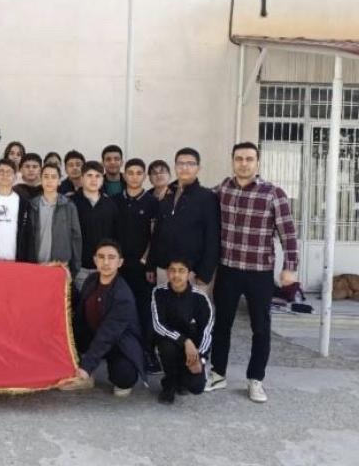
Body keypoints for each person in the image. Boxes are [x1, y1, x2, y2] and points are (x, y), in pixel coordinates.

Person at [207, 142, 299, 403]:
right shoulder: (222, 189)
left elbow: (288, 234)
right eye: (239, 158)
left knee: (260, 327)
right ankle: (218, 373)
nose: (244, 163)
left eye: (249, 159)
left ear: (257, 162)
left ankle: (255, 379)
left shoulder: (273, 194)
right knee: (222, 324)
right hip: (228, 269)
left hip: (259, 272)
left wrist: (290, 268)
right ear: (232, 161)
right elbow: (199, 201)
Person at [61, 240, 146, 397]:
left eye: (111, 257)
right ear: (95, 260)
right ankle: (86, 376)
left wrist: (86, 367)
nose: (106, 262)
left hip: (118, 343)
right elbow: (79, 305)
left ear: (120, 262)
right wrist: (68, 283)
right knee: (66, 335)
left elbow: (108, 334)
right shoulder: (91, 280)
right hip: (92, 334)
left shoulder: (123, 296)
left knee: (124, 376)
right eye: (101, 257)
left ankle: (88, 370)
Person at [113, 158, 160, 372]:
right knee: (120, 309)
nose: (134, 177)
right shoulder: (115, 201)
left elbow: (155, 236)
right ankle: (119, 351)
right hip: (118, 266)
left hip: (142, 268)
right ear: (124, 175)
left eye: (138, 173)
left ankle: (147, 352)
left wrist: (148, 263)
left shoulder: (152, 203)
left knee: (144, 311)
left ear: (144, 176)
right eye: (130, 173)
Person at [149, 147, 220, 287]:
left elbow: (212, 237)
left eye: (190, 163)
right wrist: (151, 264)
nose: (185, 168)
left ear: (199, 168)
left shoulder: (207, 197)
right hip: (164, 269)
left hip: (192, 272)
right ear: (175, 166)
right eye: (180, 163)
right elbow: (157, 232)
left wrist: (205, 273)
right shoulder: (167, 195)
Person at [152, 257, 213, 404]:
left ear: (189, 274)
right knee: (166, 347)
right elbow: (158, 325)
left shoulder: (200, 298)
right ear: (167, 273)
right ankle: (169, 384)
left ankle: (182, 380)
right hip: (171, 344)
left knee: (196, 387)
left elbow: (207, 331)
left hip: (193, 352)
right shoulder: (159, 292)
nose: (176, 275)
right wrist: (185, 341)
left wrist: (200, 357)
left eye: (181, 271)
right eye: (172, 270)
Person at [70, 161, 119, 291]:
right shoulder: (71, 203)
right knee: (81, 301)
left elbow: (115, 236)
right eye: (89, 175)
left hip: (104, 267)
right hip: (79, 268)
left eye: (98, 176)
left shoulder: (110, 205)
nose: (93, 179)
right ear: (81, 179)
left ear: (102, 180)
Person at [29, 163, 82, 276]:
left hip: (60, 265)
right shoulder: (32, 205)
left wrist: (75, 266)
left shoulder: (68, 205)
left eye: (53, 177)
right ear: (40, 179)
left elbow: (76, 237)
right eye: (46, 176)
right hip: (35, 265)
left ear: (59, 181)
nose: (49, 180)